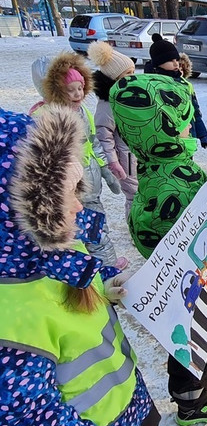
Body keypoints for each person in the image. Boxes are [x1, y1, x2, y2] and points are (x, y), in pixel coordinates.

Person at [0, 105, 184, 426]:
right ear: (27, 214)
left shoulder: (54, 250)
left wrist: (107, 286)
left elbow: (84, 279)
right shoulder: (11, 313)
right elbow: (26, 414)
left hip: (124, 396)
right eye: (67, 194)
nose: (80, 205)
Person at [110, 67, 207, 426]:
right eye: (184, 120)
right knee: (188, 327)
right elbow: (174, 221)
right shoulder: (168, 178)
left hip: (199, 268)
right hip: (189, 274)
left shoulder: (170, 164)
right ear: (167, 125)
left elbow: (200, 197)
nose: (189, 127)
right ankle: (191, 399)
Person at [37, 51, 128, 270]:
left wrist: (107, 169)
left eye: (80, 88)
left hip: (91, 184)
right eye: (71, 90)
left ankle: (106, 266)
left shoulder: (83, 112)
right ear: (57, 90)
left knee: (96, 225)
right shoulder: (47, 115)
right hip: (70, 189)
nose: (78, 94)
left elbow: (94, 143)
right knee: (83, 231)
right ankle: (104, 271)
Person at [88, 41, 138, 218]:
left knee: (145, 191)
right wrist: (113, 162)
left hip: (137, 154)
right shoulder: (108, 104)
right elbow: (103, 135)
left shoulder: (131, 95)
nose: (133, 77)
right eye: (128, 74)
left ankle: (147, 223)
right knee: (134, 195)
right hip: (126, 159)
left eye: (133, 72)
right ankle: (135, 226)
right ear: (115, 78)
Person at [145, 34, 207, 152]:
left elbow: (194, 111)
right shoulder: (152, 85)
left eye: (176, 60)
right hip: (165, 140)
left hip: (189, 135)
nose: (176, 64)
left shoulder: (184, 84)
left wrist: (202, 134)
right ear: (158, 63)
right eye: (170, 60)